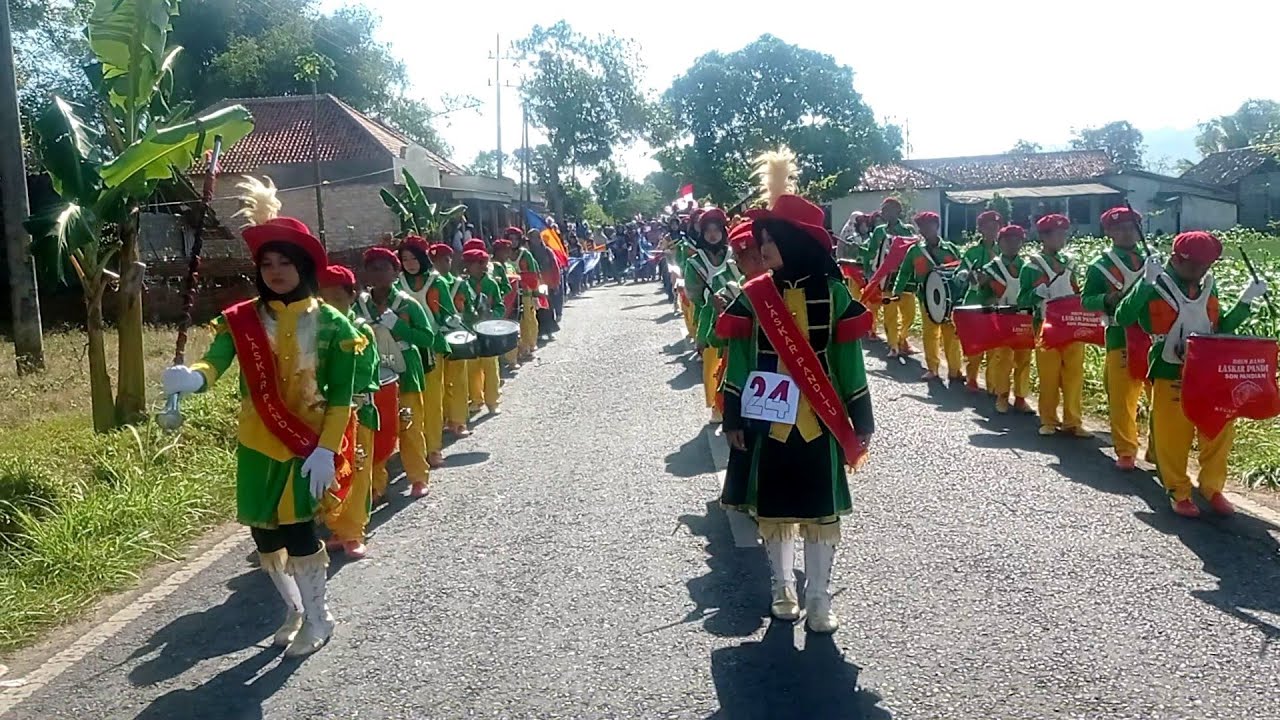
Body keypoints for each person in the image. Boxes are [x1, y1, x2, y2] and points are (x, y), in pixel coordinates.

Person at [162, 182, 356, 657]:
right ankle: (292, 610)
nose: (275, 272)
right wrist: (193, 379)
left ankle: (319, 617)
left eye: (285, 262)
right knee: (263, 534)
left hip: (307, 445)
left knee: (298, 530)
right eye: (267, 264)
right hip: (256, 441)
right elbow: (216, 364)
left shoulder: (335, 326)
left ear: (303, 266)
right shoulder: (240, 319)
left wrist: (328, 449)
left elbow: (342, 397)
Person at [717, 150, 875, 634]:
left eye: (770, 240)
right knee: (776, 510)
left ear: (795, 242)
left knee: (819, 513)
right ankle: (782, 587)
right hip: (770, 420)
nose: (761, 248)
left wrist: (861, 414)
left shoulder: (837, 294)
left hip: (821, 421)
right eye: (761, 240)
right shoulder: (755, 295)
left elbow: (849, 362)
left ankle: (820, 597)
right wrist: (734, 414)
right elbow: (740, 359)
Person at [1116, 231, 1268, 517]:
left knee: (1219, 428)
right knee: (1173, 434)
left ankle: (1212, 487)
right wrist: (1145, 282)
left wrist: (1246, 301)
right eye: (1195, 265)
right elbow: (1124, 317)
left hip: (1208, 370)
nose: (1201, 271)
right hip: (1168, 369)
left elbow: (1220, 328)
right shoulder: (1155, 283)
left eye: (1207, 265)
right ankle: (1178, 490)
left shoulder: (1208, 287)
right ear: (1176, 258)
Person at [360, 247, 438, 497]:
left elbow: (427, 338)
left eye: (385, 267)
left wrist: (399, 326)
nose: (378, 273)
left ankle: (417, 477)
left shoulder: (408, 304)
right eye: (372, 268)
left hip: (406, 371)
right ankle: (377, 484)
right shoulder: (360, 306)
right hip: (374, 376)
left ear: (396, 272)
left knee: (410, 425)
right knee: (376, 428)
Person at [317, 264, 379, 559]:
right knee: (332, 471)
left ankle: (354, 531)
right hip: (325, 415)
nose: (331, 306)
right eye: (324, 299)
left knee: (357, 469)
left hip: (357, 409)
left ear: (352, 296)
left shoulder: (362, 330)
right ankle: (337, 527)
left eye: (337, 299)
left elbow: (364, 373)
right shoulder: (316, 331)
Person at [1082, 206, 1149, 470]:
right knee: (1122, 396)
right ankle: (1126, 449)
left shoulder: (1150, 261)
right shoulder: (1100, 267)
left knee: (1159, 395)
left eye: (1131, 227)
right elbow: (1087, 301)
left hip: (1155, 335)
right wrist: (1107, 299)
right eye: (1119, 228)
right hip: (1120, 334)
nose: (1126, 232)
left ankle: (1156, 448)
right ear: (1109, 231)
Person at [1019, 213, 1090, 437]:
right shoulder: (1031, 267)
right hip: (1045, 326)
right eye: (1057, 234)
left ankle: (1073, 421)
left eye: (1063, 234)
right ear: (1044, 237)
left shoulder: (1069, 263)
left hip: (1071, 326)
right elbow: (1022, 300)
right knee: (1049, 376)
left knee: (1074, 375)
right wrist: (1036, 293)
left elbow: (1076, 291)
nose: (1062, 239)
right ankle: (1048, 419)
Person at [397, 236, 453, 468]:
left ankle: (434, 449)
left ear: (423, 258)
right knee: (408, 403)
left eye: (414, 258)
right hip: (404, 349)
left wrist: (450, 321)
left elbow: (448, 313)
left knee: (432, 400)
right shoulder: (396, 283)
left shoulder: (437, 282)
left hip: (431, 347)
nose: (410, 263)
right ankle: (413, 452)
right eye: (405, 259)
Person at [894, 211, 964, 381]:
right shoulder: (914, 251)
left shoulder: (950, 248)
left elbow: (962, 270)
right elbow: (904, 273)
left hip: (949, 300)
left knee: (951, 334)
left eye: (929, 225)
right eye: (922, 226)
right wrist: (897, 291)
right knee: (930, 334)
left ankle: (955, 370)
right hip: (927, 298)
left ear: (937, 226)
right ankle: (932, 369)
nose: (925, 229)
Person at [975, 225, 1033, 414]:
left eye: (1017, 240)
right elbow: (982, 295)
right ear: (1000, 243)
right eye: (1007, 240)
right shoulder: (991, 268)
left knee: (1024, 359)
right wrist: (988, 298)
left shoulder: (1029, 266)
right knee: (1003, 359)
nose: (1012, 244)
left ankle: (1021, 397)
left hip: (1024, 318)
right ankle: (1002, 396)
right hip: (1002, 318)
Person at [684, 208, 734, 423]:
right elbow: (692, 292)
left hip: (734, 312)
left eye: (716, 230)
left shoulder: (733, 256)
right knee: (712, 364)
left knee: (731, 363)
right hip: (709, 314)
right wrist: (708, 300)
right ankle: (715, 404)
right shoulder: (695, 261)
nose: (713, 235)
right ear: (702, 233)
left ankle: (728, 403)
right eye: (708, 231)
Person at [867, 197, 917, 356]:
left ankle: (903, 339)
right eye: (883, 209)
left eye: (888, 209)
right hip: (886, 279)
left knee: (909, 314)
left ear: (898, 211)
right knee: (890, 313)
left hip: (905, 278)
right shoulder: (878, 231)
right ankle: (893, 345)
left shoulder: (907, 231)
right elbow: (871, 252)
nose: (884, 212)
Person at [431, 242, 471, 435]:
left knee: (458, 380)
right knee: (437, 383)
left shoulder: (458, 283)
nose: (441, 264)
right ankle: (442, 420)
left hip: (456, 335)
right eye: (436, 260)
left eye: (445, 260)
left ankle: (459, 421)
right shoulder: (429, 284)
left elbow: (469, 309)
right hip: (436, 337)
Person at [961, 209, 1003, 392]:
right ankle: (971, 378)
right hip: (974, 301)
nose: (993, 230)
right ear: (980, 229)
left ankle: (993, 384)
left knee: (995, 347)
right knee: (976, 345)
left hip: (997, 302)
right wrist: (967, 276)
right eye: (989, 227)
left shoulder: (1004, 250)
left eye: (996, 226)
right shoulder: (972, 252)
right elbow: (959, 274)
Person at [463, 246, 504, 415]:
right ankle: (476, 399)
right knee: (472, 368)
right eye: (475, 264)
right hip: (470, 331)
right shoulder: (463, 285)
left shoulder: (491, 283)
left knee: (491, 368)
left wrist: (493, 314)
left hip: (488, 331)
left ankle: (492, 401)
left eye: (482, 263)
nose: (480, 267)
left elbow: (500, 306)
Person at [513, 230, 542, 360]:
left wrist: (535, 292)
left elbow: (533, 273)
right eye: (510, 238)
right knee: (515, 322)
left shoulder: (526, 255)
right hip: (512, 294)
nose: (512, 241)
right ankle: (518, 349)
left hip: (526, 292)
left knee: (528, 319)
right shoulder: (504, 256)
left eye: (515, 239)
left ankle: (529, 345)